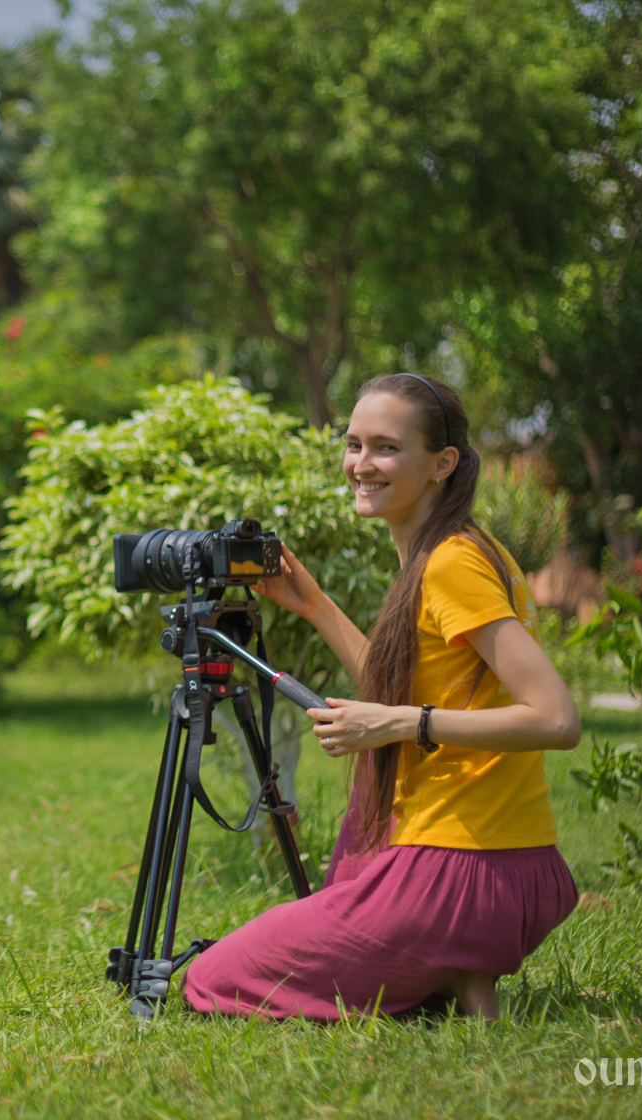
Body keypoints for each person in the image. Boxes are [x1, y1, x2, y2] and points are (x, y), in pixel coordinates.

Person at [182, 373, 580, 1022]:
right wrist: (315, 605)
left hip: (460, 874)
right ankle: (459, 976)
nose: (361, 464)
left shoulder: (451, 564)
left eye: (386, 448)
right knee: (363, 827)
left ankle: (447, 959)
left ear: (442, 464)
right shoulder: (458, 551)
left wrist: (400, 723)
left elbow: (556, 719)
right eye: (353, 445)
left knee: (210, 978)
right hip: (514, 871)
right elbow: (407, 686)